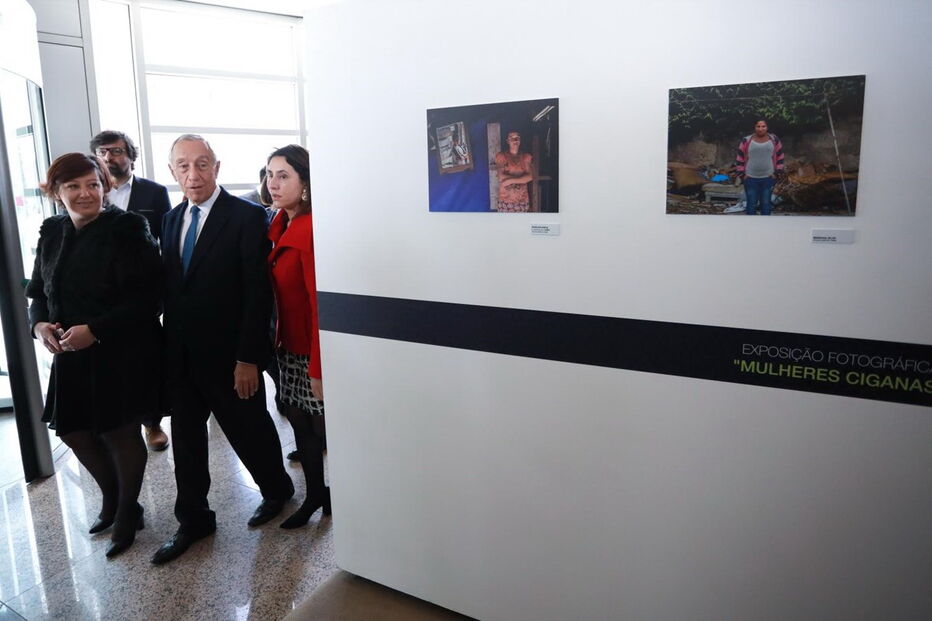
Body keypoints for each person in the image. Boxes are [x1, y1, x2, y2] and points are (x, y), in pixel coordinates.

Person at [151, 135, 294, 565]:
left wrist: (248, 358)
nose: (193, 174)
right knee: (187, 442)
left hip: (232, 357)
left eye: (202, 164)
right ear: (172, 171)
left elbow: (257, 295)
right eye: (183, 166)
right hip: (181, 357)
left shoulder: (247, 217)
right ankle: (194, 519)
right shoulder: (170, 219)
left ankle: (276, 489)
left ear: (216, 167)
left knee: (249, 430)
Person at [26, 153, 162, 558]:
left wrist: (96, 330)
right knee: (73, 432)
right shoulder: (52, 230)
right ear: (56, 192)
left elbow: (149, 299)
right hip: (70, 351)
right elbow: (38, 291)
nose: (85, 193)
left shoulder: (128, 228)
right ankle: (116, 499)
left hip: (122, 348)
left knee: (119, 432)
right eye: (73, 186)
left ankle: (125, 512)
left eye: (93, 184)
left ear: (105, 187)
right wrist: (39, 325)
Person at [90, 130, 172, 451]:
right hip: (102, 294)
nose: (108, 157)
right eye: (102, 152)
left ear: (130, 156)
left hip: (142, 289)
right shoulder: (90, 192)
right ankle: (120, 422)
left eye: (116, 151)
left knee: (144, 358)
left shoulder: (154, 192)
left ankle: (152, 422)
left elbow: (167, 240)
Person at [262, 145, 331, 528]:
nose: (273, 183)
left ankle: (338, 494)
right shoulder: (279, 223)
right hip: (287, 346)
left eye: (283, 176)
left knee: (321, 427)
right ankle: (316, 494)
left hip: (310, 350)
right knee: (298, 421)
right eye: (269, 174)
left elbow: (320, 305)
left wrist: (318, 368)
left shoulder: (310, 230)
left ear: (305, 183)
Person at [735, 120, 785, 215]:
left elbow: (780, 156)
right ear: (755, 127)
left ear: (767, 127)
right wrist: (742, 174)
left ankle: (765, 224)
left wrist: (777, 173)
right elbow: (740, 157)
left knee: (766, 204)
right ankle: (751, 224)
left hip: (768, 178)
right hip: (750, 178)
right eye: (758, 126)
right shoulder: (746, 140)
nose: (760, 129)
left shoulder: (774, 139)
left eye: (763, 126)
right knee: (751, 204)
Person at [494, 130, 534, 212]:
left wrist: (509, 180)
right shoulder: (501, 156)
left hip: (522, 200)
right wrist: (521, 178)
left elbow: (529, 177)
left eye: (517, 138)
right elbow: (501, 176)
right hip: (505, 200)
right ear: (507, 141)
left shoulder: (526, 157)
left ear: (520, 140)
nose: (515, 140)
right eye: (511, 138)